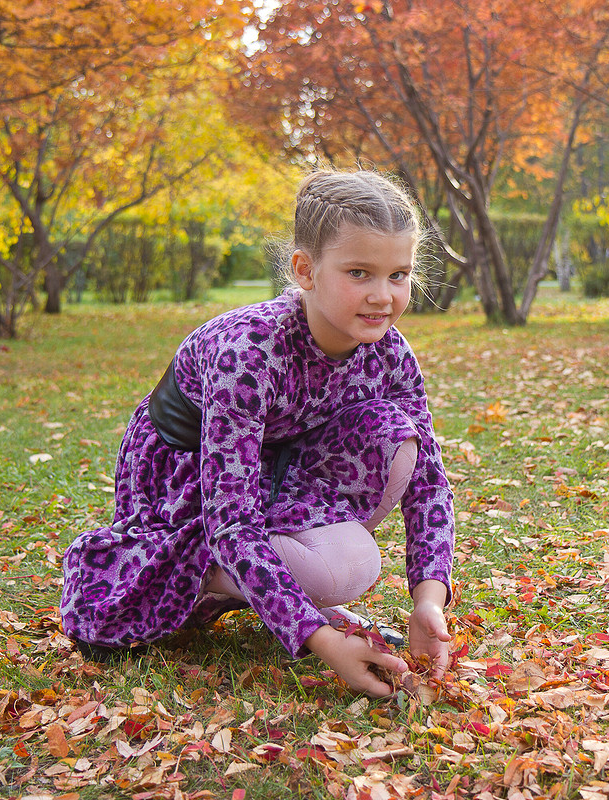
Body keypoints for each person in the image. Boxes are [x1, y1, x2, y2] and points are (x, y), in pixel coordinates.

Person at [60, 169, 455, 697]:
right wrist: (320, 637)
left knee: (392, 450)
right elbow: (231, 517)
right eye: (359, 272)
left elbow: (427, 481)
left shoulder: (391, 353)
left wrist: (429, 598)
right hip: (189, 476)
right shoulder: (249, 353)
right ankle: (206, 581)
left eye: (398, 275)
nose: (382, 296)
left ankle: (281, 583)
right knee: (328, 573)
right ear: (305, 270)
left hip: (281, 462)